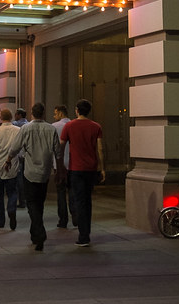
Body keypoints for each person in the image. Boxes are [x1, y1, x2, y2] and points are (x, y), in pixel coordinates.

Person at [6, 102, 63, 251]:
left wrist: (8, 160)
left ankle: (39, 233)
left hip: (30, 172)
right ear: (44, 113)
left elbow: (15, 147)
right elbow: (58, 152)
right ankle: (35, 234)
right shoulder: (51, 129)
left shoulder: (25, 128)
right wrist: (59, 170)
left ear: (32, 113)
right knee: (39, 203)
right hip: (44, 173)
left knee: (32, 204)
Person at [60, 98, 105, 247]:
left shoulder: (69, 126)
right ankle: (86, 232)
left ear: (77, 110)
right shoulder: (96, 126)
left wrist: (60, 165)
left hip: (76, 168)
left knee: (79, 201)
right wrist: (102, 168)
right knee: (88, 200)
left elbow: (61, 146)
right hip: (91, 169)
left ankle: (83, 235)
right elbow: (100, 149)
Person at [52, 104, 77, 229]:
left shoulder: (54, 127)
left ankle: (63, 220)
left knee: (61, 193)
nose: (54, 115)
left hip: (59, 164)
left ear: (61, 113)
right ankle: (75, 214)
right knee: (72, 191)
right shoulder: (74, 125)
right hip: (73, 164)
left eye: (55, 113)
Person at [12, 107, 28, 208]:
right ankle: (25, 199)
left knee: (19, 178)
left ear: (20, 115)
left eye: (16, 114)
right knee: (25, 178)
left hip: (18, 154)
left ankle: (21, 200)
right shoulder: (28, 124)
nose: (15, 116)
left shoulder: (15, 125)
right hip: (27, 154)